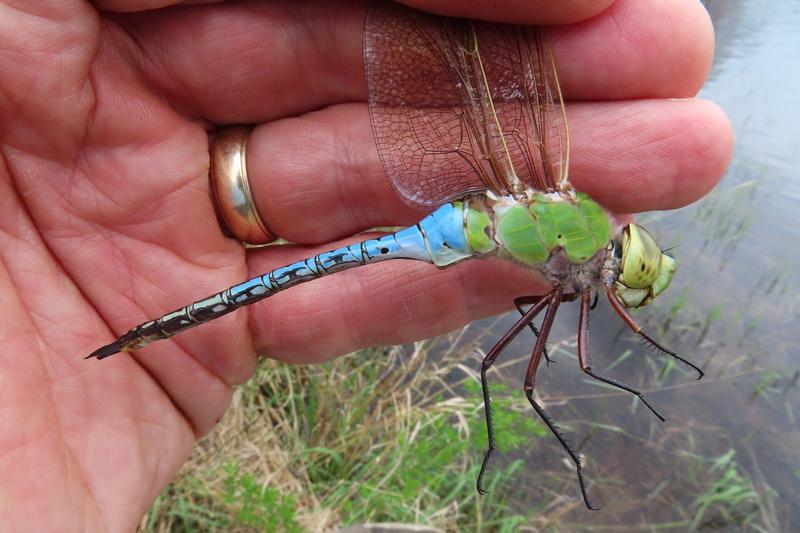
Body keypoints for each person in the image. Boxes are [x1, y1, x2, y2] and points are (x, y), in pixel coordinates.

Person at [0, 0, 732, 529]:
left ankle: (136, 335)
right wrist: (647, 375)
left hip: (465, 219)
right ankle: (145, 330)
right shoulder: (578, 250)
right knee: (520, 377)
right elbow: (587, 354)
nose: (622, 273)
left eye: (630, 266)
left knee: (505, 367)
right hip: (452, 225)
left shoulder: (570, 225)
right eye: (628, 264)